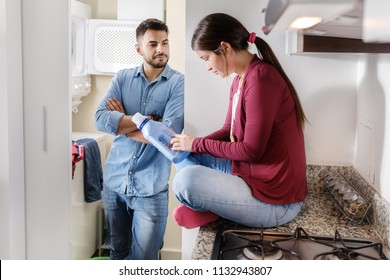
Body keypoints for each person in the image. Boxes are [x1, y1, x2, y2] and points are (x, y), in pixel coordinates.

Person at [170, 13, 307, 229]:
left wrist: (196, 143)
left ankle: (216, 209)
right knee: (183, 158)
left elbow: (252, 151)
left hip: (278, 203)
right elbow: (228, 130)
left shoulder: (262, 79)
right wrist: (192, 146)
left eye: (206, 58)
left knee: (185, 182)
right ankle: (219, 208)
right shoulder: (240, 79)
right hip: (251, 175)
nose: (206, 66)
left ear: (224, 47)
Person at [95, 18, 184, 259]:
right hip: (114, 182)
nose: (160, 49)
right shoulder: (122, 78)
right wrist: (146, 122)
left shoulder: (178, 83)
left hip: (151, 188)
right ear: (139, 49)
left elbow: (167, 135)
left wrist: (122, 121)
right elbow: (100, 118)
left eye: (165, 43)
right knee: (117, 252)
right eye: (153, 44)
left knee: (144, 259)